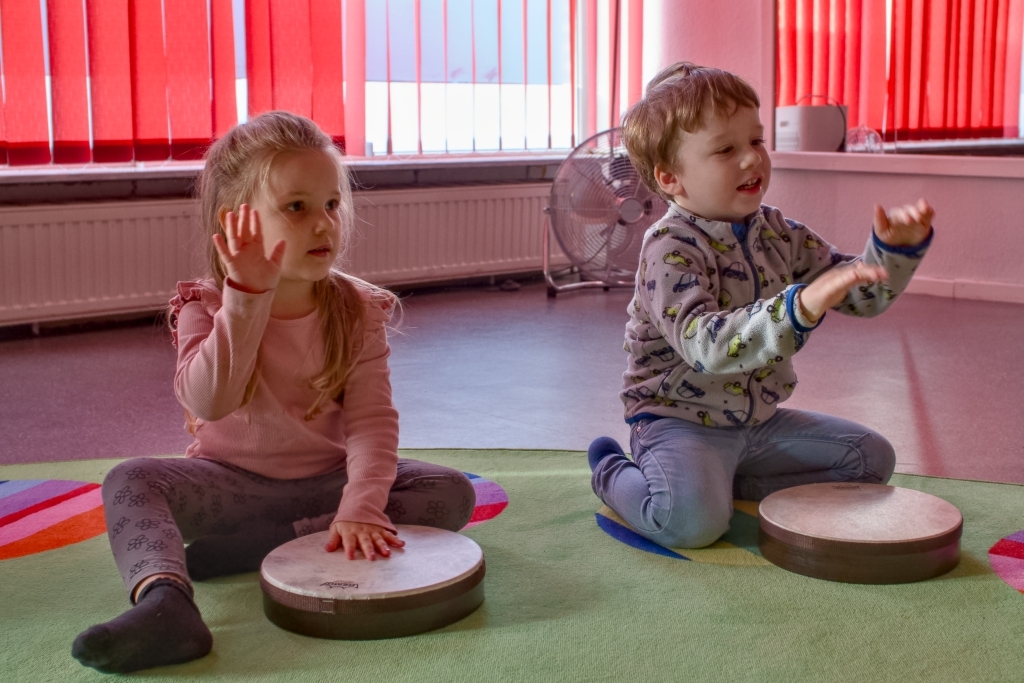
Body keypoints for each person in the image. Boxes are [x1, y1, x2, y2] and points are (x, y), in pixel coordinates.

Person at [72, 112, 476, 673]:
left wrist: (361, 506)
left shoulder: (356, 310)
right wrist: (245, 297)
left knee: (450, 491)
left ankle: (263, 543)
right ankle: (166, 601)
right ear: (236, 223)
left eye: (332, 205)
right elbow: (209, 402)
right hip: (233, 489)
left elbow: (371, 420)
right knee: (130, 479)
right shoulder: (204, 305)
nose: (323, 225)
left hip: (328, 490)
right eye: (297, 207)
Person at [588, 63, 934, 551]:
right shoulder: (667, 248)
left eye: (756, 141)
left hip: (758, 422)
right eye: (726, 149)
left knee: (868, 460)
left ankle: (724, 488)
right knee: (692, 526)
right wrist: (800, 305)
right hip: (677, 421)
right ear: (671, 178)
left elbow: (861, 294)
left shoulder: (779, 232)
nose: (752, 160)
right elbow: (707, 346)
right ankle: (611, 471)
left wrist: (892, 255)